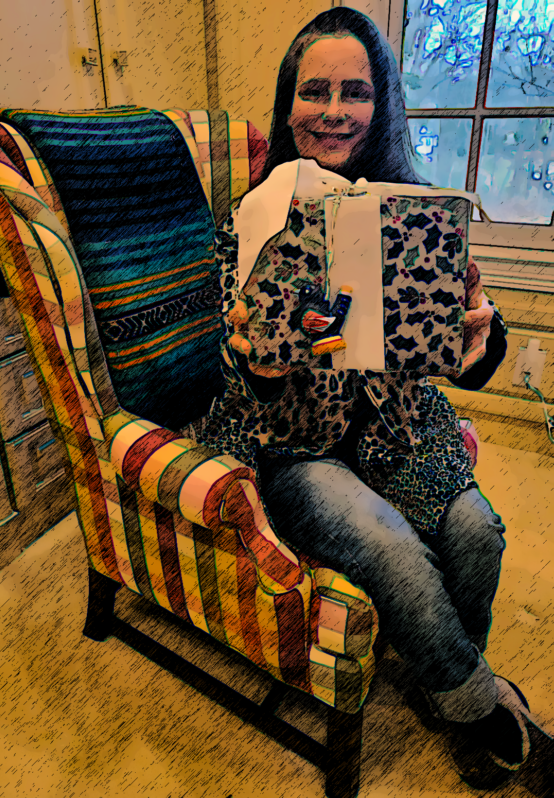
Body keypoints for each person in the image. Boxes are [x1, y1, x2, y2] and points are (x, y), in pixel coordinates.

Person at [198, 7, 534, 783]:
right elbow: (234, 369)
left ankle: (443, 671)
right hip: (294, 448)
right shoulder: (249, 221)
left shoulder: (414, 211)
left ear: (381, 104)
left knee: (479, 535)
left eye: (356, 91)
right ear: (287, 104)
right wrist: (259, 369)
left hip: (401, 432)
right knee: (393, 551)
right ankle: (472, 701)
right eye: (314, 91)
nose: (334, 110)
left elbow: (457, 349)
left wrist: (480, 339)